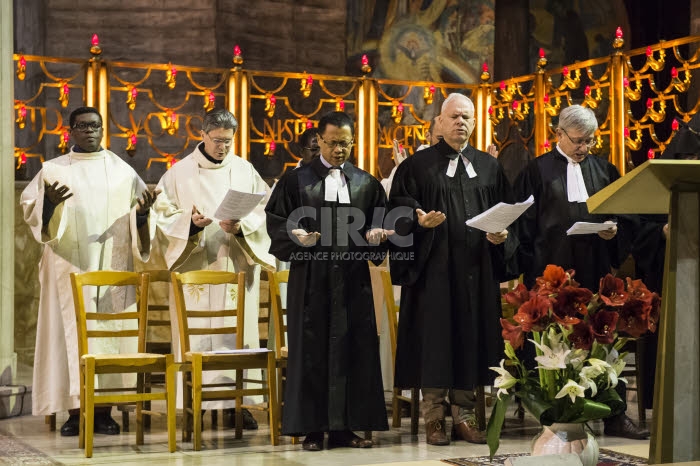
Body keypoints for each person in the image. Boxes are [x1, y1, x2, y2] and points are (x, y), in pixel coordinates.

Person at [20, 106, 159, 437]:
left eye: (95, 125)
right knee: (68, 335)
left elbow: (141, 212)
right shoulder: (52, 170)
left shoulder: (123, 171)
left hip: (111, 266)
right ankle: (74, 410)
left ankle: (104, 411)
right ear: (70, 131)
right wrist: (50, 204)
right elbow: (33, 213)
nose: (90, 131)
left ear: (102, 130)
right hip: (67, 268)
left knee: (108, 336)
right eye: (82, 126)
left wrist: (141, 218)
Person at [389, 93, 518, 445]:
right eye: (455, 117)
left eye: (467, 117)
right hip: (433, 273)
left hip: (476, 271)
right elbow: (397, 212)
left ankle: (464, 414)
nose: (461, 122)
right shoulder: (415, 166)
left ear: (475, 123)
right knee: (435, 342)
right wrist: (418, 223)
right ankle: (434, 417)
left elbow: (506, 212)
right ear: (440, 123)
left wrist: (501, 236)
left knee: (470, 339)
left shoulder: (490, 168)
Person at [514, 104, 648, 439]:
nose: (584, 148)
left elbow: (625, 214)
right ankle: (559, 415)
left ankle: (614, 415)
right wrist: (532, 269)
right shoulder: (537, 171)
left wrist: (614, 231)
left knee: (603, 343)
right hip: (552, 273)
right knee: (555, 347)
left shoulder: (604, 169)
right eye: (577, 140)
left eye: (589, 141)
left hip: (596, 270)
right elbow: (522, 224)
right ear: (558, 134)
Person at [265, 111, 391, 451]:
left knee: (354, 348)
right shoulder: (297, 181)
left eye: (346, 144)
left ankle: (345, 427)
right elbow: (277, 222)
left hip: (353, 281)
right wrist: (297, 236)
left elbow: (378, 226)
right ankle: (313, 429)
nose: (339, 150)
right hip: (312, 280)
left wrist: (377, 236)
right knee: (312, 350)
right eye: (333, 143)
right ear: (318, 140)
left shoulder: (366, 183)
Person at [152, 108, 274, 430]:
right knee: (199, 337)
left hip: (235, 264)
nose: (222, 147)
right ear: (202, 135)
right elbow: (161, 212)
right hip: (197, 268)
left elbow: (264, 209)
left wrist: (242, 227)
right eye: (217, 140)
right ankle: (197, 403)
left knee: (236, 334)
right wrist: (189, 225)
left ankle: (239, 403)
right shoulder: (178, 174)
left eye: (228, 142)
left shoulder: (245, 170)